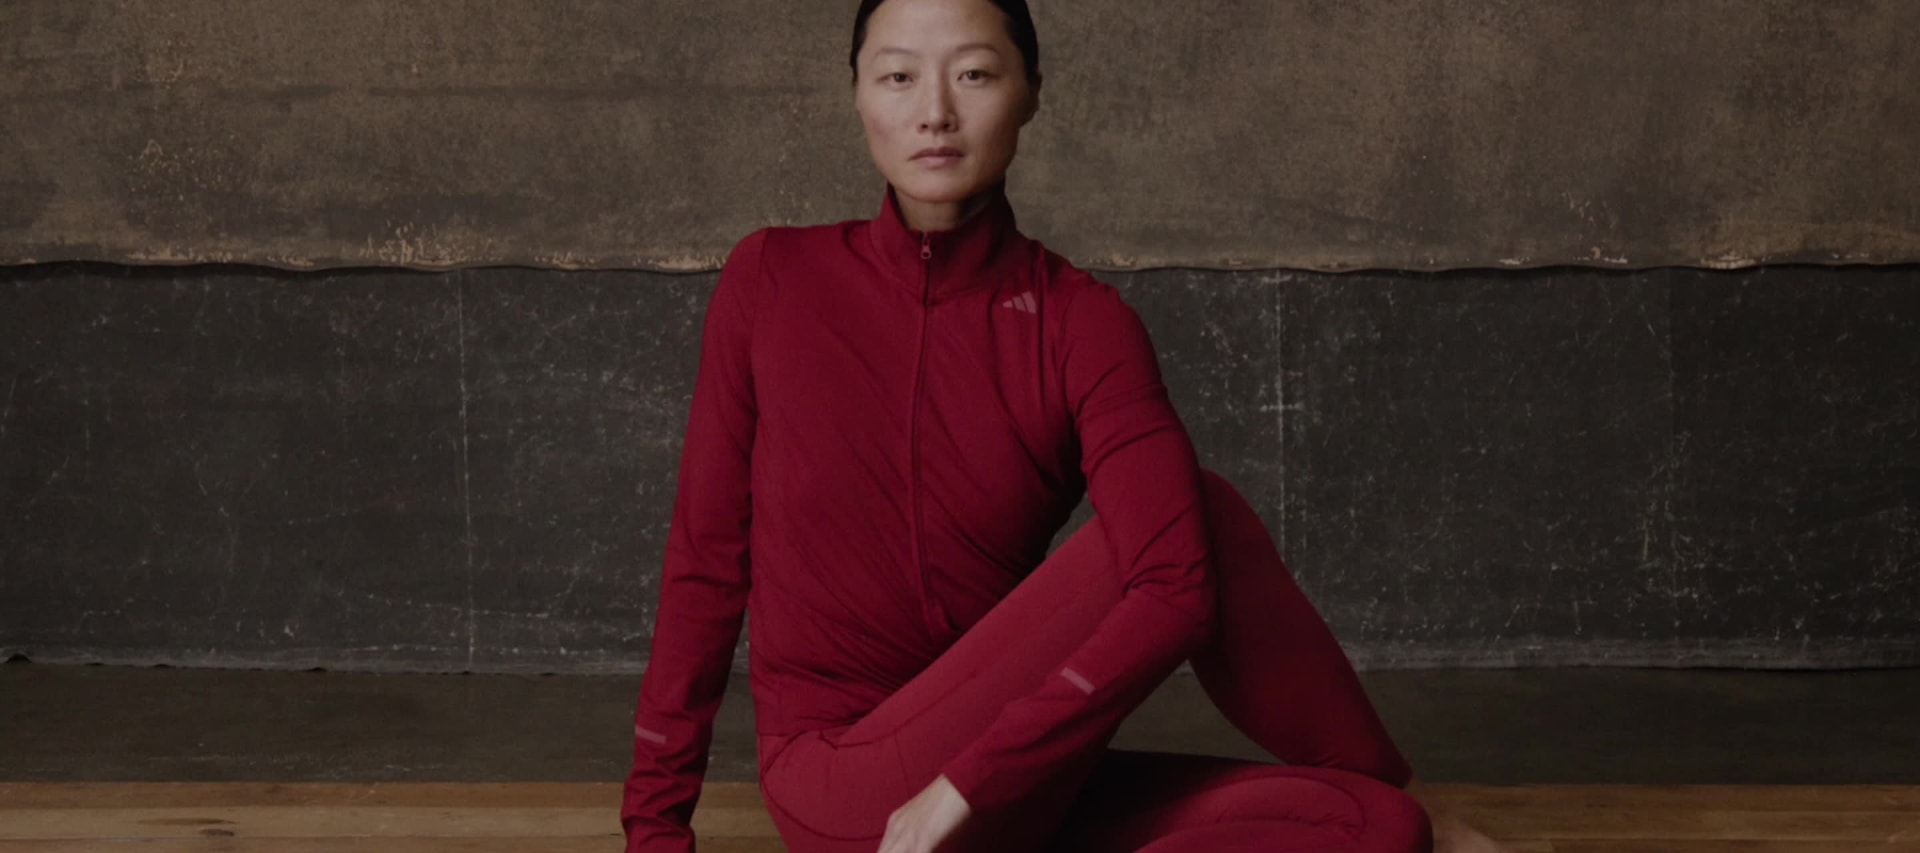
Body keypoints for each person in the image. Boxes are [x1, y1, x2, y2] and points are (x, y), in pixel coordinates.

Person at [623, 0, 1510, 850]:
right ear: (856, 91)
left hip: (994, 782)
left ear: (1032, 92)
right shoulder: (773, 279)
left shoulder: (1082, 322)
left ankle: (1409, 805)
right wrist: (655, 834)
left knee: (1376, 831)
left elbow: (1177, 593)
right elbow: (705, 566)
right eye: (897, 77)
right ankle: (1419, 796)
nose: (933, 112)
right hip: (847, 793)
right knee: (1207, 512)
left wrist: (971, 781)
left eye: (973, 74)